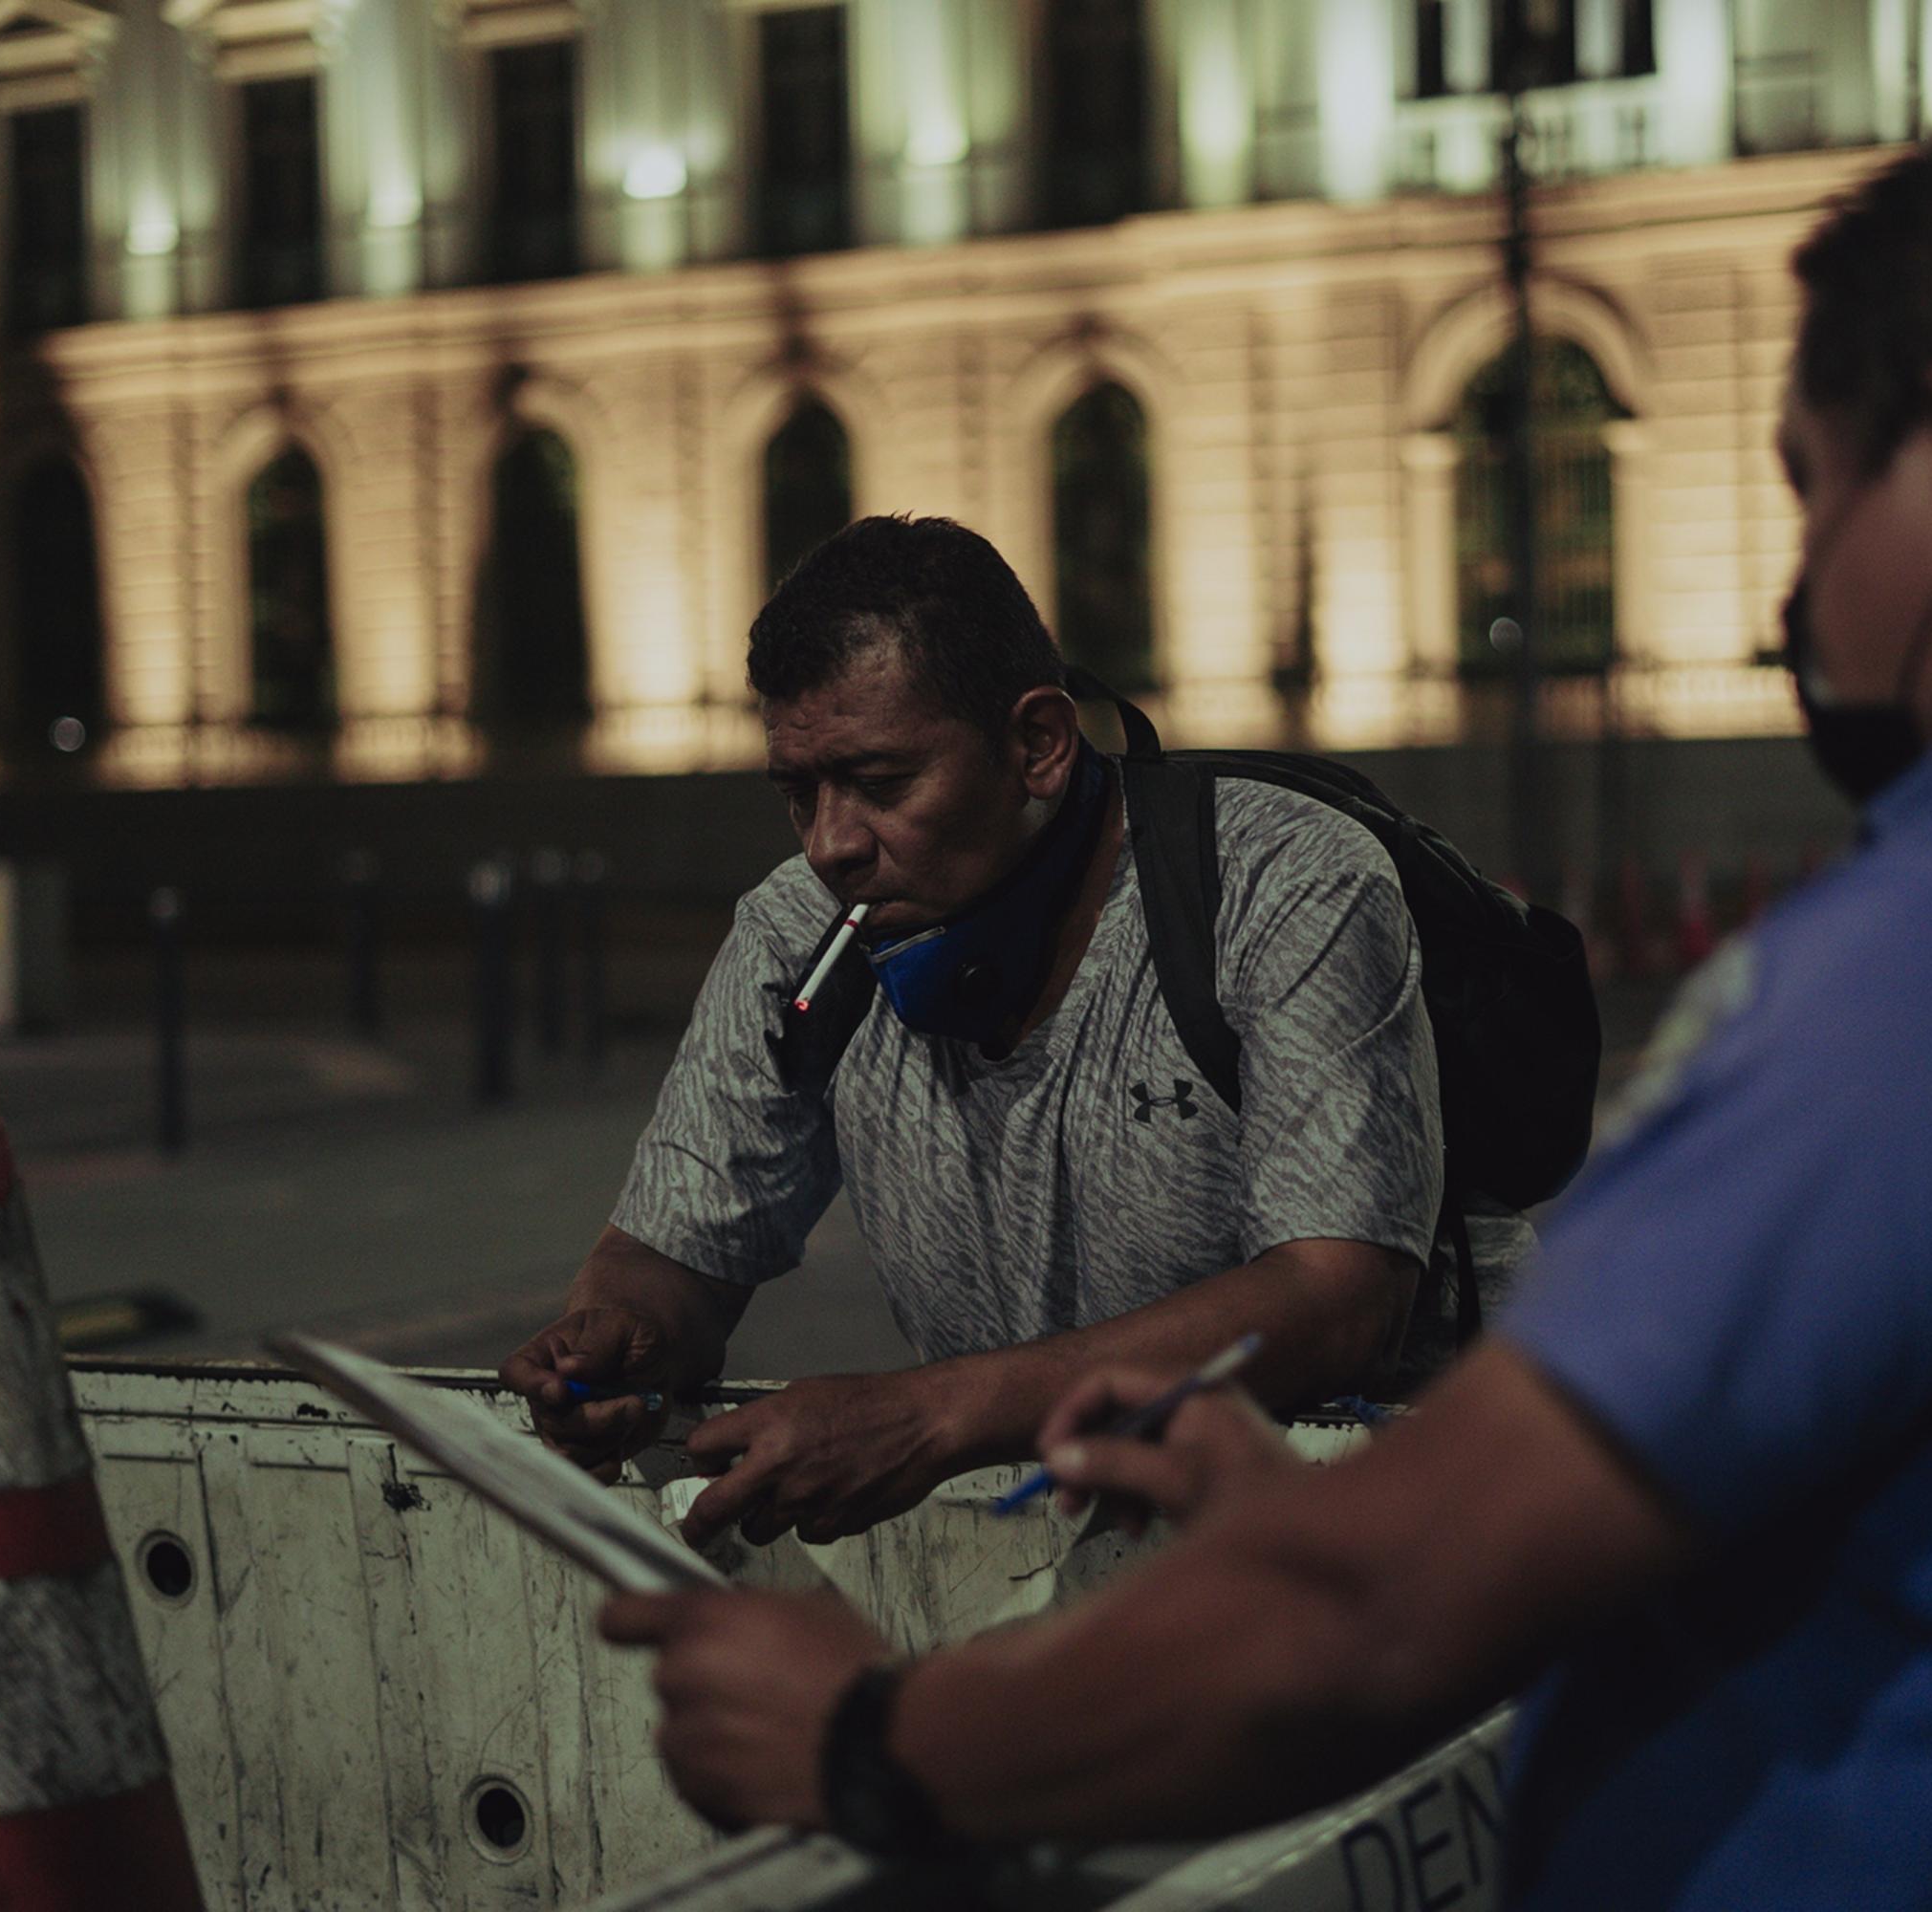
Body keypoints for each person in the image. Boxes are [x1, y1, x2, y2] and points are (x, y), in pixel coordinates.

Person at [597, 106, 1932, 1907]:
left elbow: (1372, 1625)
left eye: (1809, 495)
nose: (1798, 600)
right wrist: (1335, 1501)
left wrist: (872, 1731)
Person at [504, 514, 1516, 1547]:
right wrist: (622, 1333)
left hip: (1382, 1543)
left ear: (1037, 743)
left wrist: (929, 1413)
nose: (832, 843)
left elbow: (1337, 1298)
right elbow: (671, 1250)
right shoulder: (795, 934)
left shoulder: (1283, 884)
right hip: (1069, 1556)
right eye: (797, 792)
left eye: (881, 783)